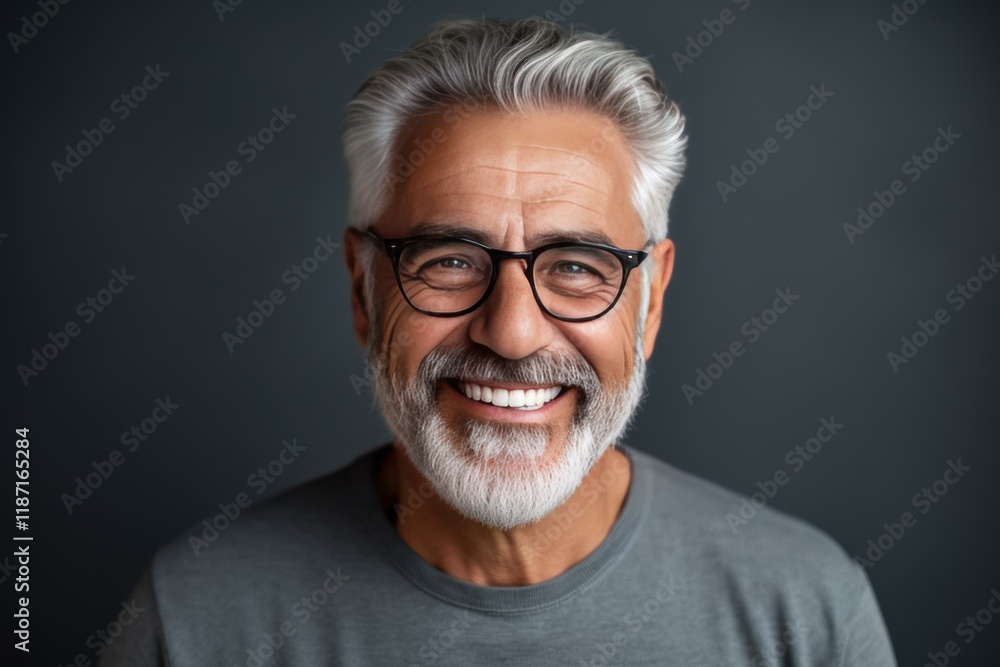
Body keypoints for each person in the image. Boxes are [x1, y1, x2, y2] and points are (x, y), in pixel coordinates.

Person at [101, 17, 897, 666]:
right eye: (449, 261)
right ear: (362, 289)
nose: (512, 333)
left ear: (650, 302)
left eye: (578, 266)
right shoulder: (195, 619)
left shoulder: (807, 612)